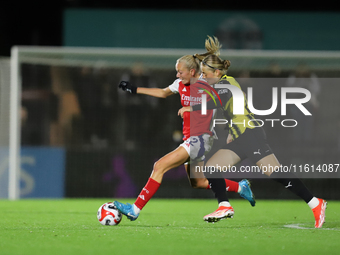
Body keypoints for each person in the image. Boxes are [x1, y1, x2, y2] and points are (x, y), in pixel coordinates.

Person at [113, 36, 255, 221]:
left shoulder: (207, 84)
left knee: (159, 166)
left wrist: (231, 128)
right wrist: (134, 89)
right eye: (177, 72)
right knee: (199, 182)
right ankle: (240, 187)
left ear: (192, 71)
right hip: (191, 138)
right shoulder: (180, 84)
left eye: (180, 72)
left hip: (201, 138)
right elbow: (163, 93)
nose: (177, 75)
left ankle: (135, 209)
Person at [178, 54, 327, 228]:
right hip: (241, 135)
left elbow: (217, 102)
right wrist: (231, 130)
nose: (203, 76)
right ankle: (224, 206)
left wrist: (192, 107)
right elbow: (232, 108)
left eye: (205, 73)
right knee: (212, 168)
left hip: (250, 134)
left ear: (217, 72)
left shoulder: (226, 84)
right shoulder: (223, 83)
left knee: (275, 173)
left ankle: (315, 203)